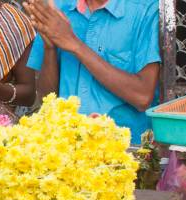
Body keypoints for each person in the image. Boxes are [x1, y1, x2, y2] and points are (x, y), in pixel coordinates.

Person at [23, 0, 161, 144]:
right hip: (65, 146)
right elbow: (47, 97)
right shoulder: (58, 9)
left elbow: (142, 97)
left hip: (124, 150)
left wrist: (73, 43)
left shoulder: (144, 9)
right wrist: (49, 47)